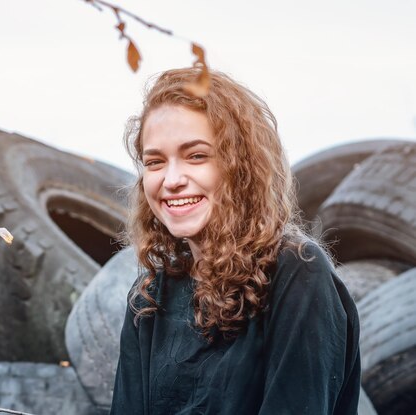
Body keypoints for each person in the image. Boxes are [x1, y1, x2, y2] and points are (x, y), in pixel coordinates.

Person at [110, 67, 361, 414]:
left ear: (240, 165)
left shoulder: (297, 274)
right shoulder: (150, 296)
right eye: (155, 162)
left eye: (196, 155)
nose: (171, 180)